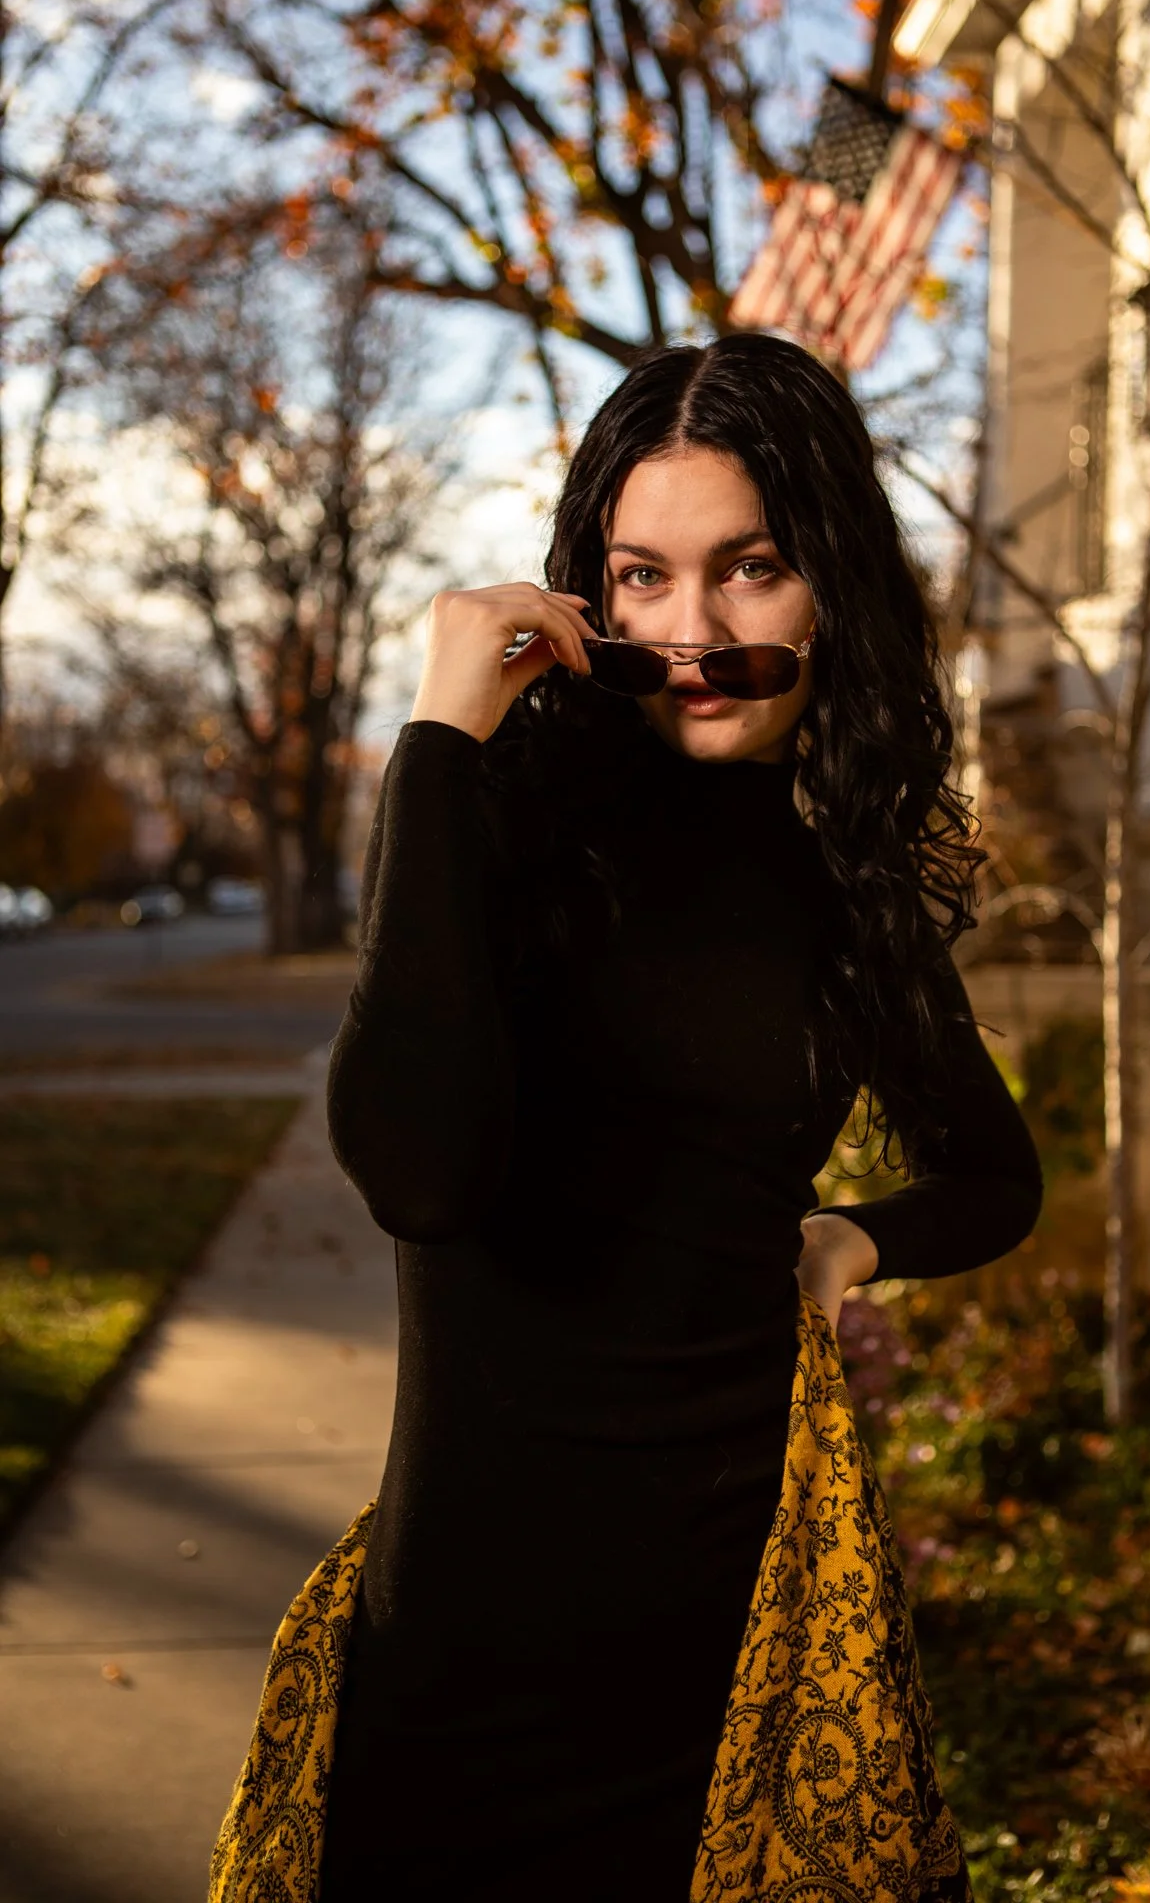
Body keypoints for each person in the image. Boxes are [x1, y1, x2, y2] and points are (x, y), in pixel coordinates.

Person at [210, 332, 1042, 1903]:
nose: (696, 635)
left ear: (832, 584)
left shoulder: (852, 881)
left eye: (751, 570)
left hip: (737, 1645)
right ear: (586, 594)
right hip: (464, 1649)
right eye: (643, 579)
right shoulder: (502, 821)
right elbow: (419, 1169)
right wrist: (439, 746)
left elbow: (996, 1176)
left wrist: (845, 1239)